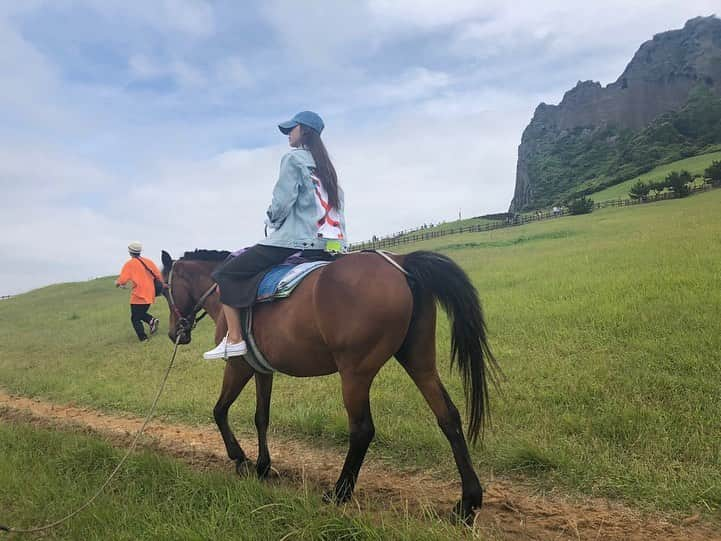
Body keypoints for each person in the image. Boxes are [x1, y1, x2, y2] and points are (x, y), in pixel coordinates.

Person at [203, 111, 347, 360]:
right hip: (333, 245)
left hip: (297, 241)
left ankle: (235, 338)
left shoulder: (293, 159)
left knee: (225, 274)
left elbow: (282, 202)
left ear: (304, 131)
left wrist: (271, 218)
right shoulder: (328, 168)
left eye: (292, 129)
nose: (288, 134)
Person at [115, 241, 162, 342]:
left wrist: (117, 283)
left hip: (138, 294)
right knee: (140, 313)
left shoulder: (129, 264)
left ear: (130, 252)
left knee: (135, 318)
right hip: (150, 293)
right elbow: (158, 275)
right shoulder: (149, 262)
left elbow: (122, 279)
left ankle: (143, 338)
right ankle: (151, 320)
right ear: (140, 251)